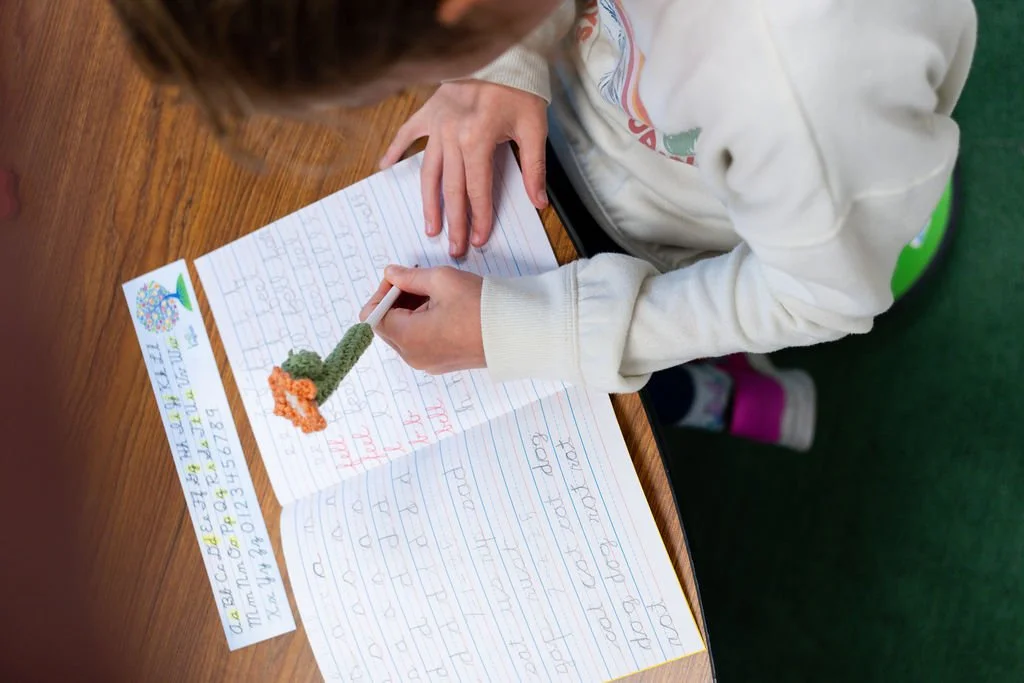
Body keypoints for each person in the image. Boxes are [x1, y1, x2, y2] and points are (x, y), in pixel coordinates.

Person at [110, 0, 977, 451]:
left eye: (416, 66)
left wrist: (538, 329)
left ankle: (715, 389)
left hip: (725, 224)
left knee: (641, 370)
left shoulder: (796, 84)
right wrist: (502, 61)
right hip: (601, 135)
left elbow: (824, 290)